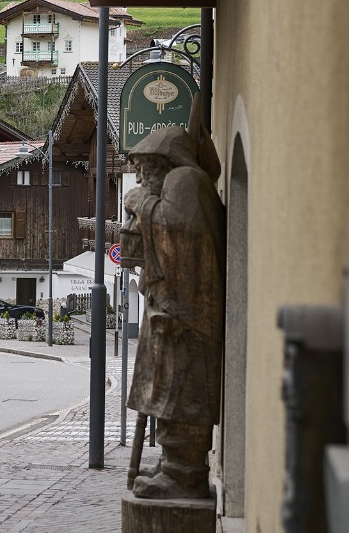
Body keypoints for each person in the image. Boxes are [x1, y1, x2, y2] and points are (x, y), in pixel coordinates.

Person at [120, 124, 224, 499]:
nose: (140, 178)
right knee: (168, 393)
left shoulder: (184, 181)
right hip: (174, 312)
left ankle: (185, 473)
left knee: (181, 392)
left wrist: (140, 203)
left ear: (162, 162)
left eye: (143, 168)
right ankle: (173, 465)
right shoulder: (176, 185)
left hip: (186, 318)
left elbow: (180, 231)